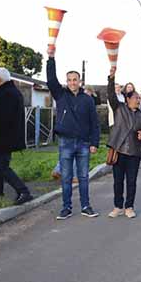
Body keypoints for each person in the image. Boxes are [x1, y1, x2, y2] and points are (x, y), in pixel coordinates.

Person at [46, 46, 100, 220]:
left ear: (80, 81)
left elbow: (95, 123)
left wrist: (94, 143)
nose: (72, 82)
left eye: (75, 79)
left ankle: (86, 206)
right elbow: (51, 80)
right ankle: (66, 208)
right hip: (66, 143)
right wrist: (51, 58)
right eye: (69, 80)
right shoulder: (61, 95)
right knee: (66, 177)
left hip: (84, 143)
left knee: (83, 177)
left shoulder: (88, 100)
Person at [106, 68, 141, 219]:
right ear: (127, 99)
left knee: (131, 182)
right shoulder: (119, 109)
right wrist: (111, 78)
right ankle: (118, 206)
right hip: (119, 151)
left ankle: (129, 207)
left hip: (134, 152)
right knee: (118, 181)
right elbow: (111, 95)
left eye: (139, 98)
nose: (138, 100)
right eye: (135, 98)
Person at [0, 68, 33, 205]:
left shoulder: (7, 94)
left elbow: (4, 118)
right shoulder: (9, 91)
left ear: (0, 80)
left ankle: (23, 191)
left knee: (0, 166)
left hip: (4, 137)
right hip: (5, 137)